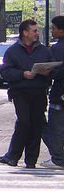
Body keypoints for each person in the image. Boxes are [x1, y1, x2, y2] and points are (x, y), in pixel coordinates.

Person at [0, 19, 53, 168]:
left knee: (36, 124)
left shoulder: (43, 50)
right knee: (24, 122)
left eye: (37, 30)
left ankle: (30, 160)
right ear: (25, 33)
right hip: (20, 91)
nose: (36, 33)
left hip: (39, 91)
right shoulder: (13, 51)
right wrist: (22, 74)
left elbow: (54, 69)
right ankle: (13, 156)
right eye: (34, 30)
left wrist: (48, 72)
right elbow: (5, 71)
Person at [41, 15, 64, 169]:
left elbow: (57, 71)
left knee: (55, 127)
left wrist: (46, 72)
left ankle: (58, 158)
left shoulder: (57, 48)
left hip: (60, 92)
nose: (52, 31)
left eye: (54, 28)